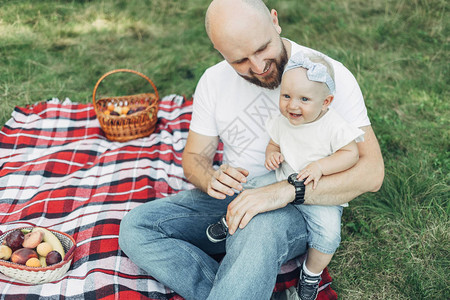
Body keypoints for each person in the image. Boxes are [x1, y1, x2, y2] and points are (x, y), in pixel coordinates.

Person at [119, 0, 384, 299]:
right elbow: (195, 158)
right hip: (239, 195)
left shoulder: (325, 77)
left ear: (275, 21)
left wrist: (285, 190)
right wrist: (209, 178)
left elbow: (372, 172)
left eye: (261, 49)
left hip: (301, 205)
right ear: (221, 53)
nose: (258, 67)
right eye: (240, 61)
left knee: (254, 227)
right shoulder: (213, 81)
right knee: (136, 228)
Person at [206, 51, 365, 299]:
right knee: (250, 186)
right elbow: (275, 143)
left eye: (304, 99)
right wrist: (273, 154)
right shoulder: (283, 120)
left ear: (326, 102)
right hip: (282, 178)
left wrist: (321, 166)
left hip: (319, 192)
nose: (292, 105)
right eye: (286, 96)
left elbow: (350, 154)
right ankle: (228, 221)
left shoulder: (333, 125)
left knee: (329, 233)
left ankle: (311, 273)